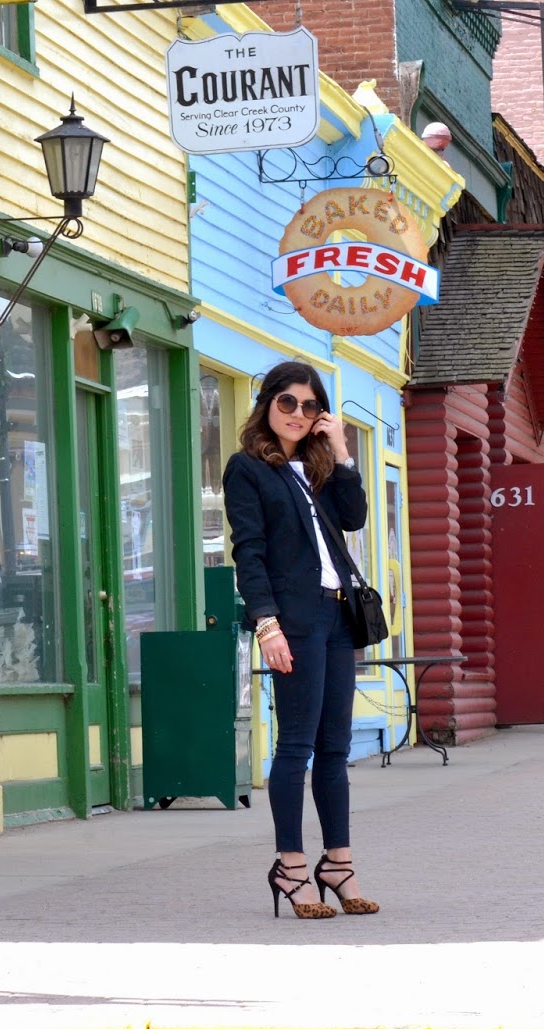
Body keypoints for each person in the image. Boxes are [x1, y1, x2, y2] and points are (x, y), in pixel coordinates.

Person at [224, 361, 377, 920]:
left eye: (310, 406)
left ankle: (337, 863)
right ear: (266, 404)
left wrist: (339, 449)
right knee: (296, 748)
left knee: (336, 749)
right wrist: (267, 624)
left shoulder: (316, 469)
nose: (297, 414)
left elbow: (356, 518)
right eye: (287, 402)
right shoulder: (247, 469)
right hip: (295, 620)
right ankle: (291, 865)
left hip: (338, 620)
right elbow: (250, 551)